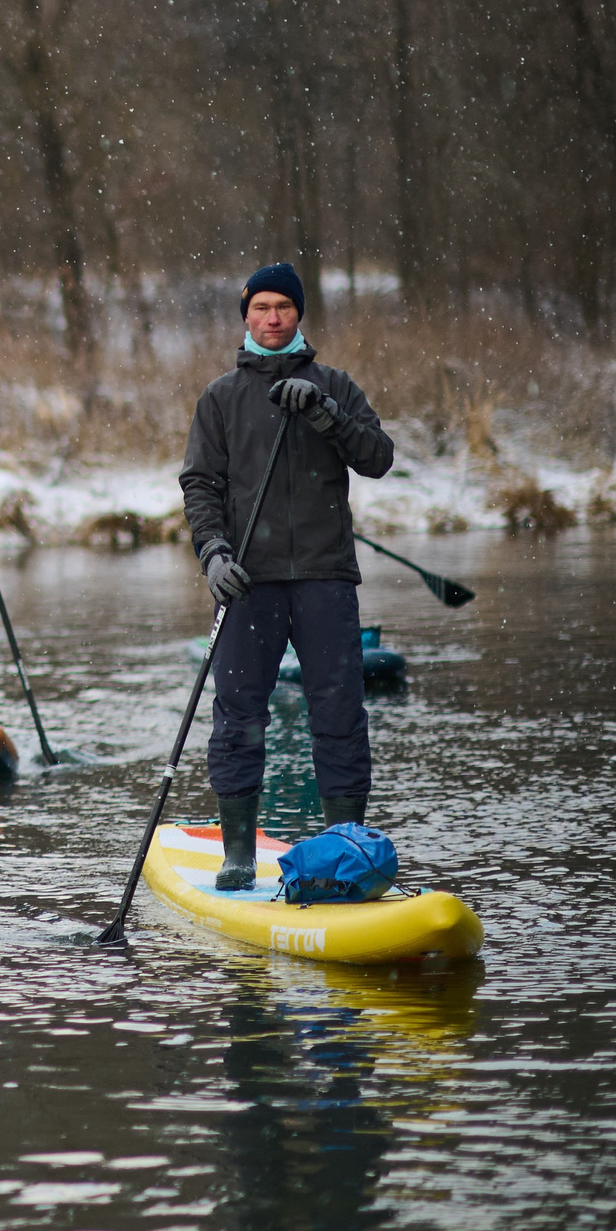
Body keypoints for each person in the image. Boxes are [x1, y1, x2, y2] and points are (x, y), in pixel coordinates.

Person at [180, 264, 395, 889]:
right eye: (261, 308)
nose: (272, 318)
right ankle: (239, 854)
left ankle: (345, 850)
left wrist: (328, 415)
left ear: (299, 315)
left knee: (340, 714)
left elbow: (377, 458)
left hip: (327, 576)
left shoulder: (335, 384)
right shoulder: (221, 397)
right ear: (245, 317)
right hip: (250, 580)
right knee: (239, 715)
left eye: (284, 308)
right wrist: (215, 554)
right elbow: (200, 485)